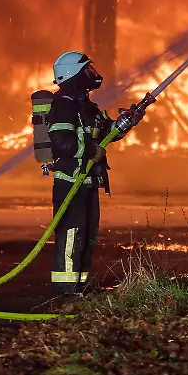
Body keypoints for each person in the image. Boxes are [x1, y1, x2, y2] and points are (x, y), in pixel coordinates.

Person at [46, 51, 142, 295]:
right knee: (72, 234)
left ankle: (81, 286)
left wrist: (127, 122)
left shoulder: (87, 107)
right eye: (87, 70)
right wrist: (91, 151)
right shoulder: (63, 106)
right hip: (70, 181)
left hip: (87, 182)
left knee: (87, 236)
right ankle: (66, 289)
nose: (92, 75)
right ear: (74, 75)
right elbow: (61, 143)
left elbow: (109, 133)